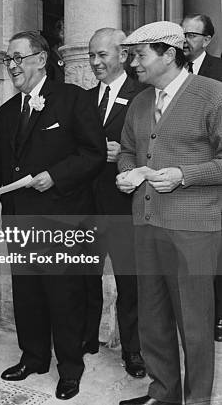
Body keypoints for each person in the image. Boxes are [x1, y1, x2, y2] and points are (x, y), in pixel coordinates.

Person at [0, 31, 105, 400]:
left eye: (18, 58)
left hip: (61, 218)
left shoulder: (73, 100)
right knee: (27, 294)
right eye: (7, 60)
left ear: (41, 59)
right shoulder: (5, 112)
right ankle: (33, 358)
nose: (12, 66)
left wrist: (55, 177)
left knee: (64, 296)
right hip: (18, 219)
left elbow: (93, 155)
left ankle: (70, 369)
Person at [116, 21, 222, 405]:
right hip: (146, 225)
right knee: (153, 318)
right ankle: (163, 394)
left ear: (169, 55)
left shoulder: (213, 95)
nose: (132, 64)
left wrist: (185, 176)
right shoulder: (141, 101)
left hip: (194, 230)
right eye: (130, 55)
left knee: (194, 325)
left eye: (140, 55)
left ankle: (197, 401)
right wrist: (126, 173)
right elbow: (128, 149)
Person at [84, 28, 147, 378]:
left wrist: (124, 155)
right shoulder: (85, 99)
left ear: (122, 55)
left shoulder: (145, 96)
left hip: (126, 206)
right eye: (91, 55)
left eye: (102, 55)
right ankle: (88, 337)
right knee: (87, 275)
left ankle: (133, 350)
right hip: (90, 205)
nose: (95, 63)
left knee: (130, 281)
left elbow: (155, 150)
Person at [181, 13, 222, 342]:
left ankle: (217, 318)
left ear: (207, 40)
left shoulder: (220, 72)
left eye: (191, 35)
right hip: (179, 179)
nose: (185, 41)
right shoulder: (174, 72)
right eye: (181, 33)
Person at [181, 13, 222, 81]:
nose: (184, 40)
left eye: (191, 35)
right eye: (181, 35)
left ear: (206, 40)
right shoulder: (170, 66)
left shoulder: (219, 69)